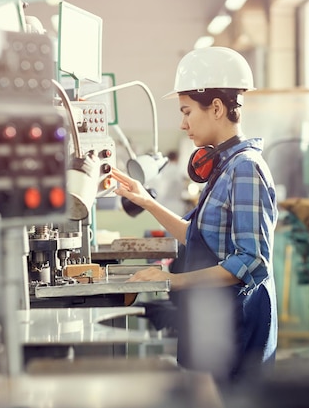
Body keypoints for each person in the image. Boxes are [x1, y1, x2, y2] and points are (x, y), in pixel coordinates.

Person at [110, 46, 278, 385]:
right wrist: (146, 202)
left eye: (187, 111)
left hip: (237, 324)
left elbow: (252, 260)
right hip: (215, 317)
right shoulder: (224, 165)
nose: (183, 123)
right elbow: (199, 237)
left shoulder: (245, 169)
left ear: (216, 107)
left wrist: (171, 280)